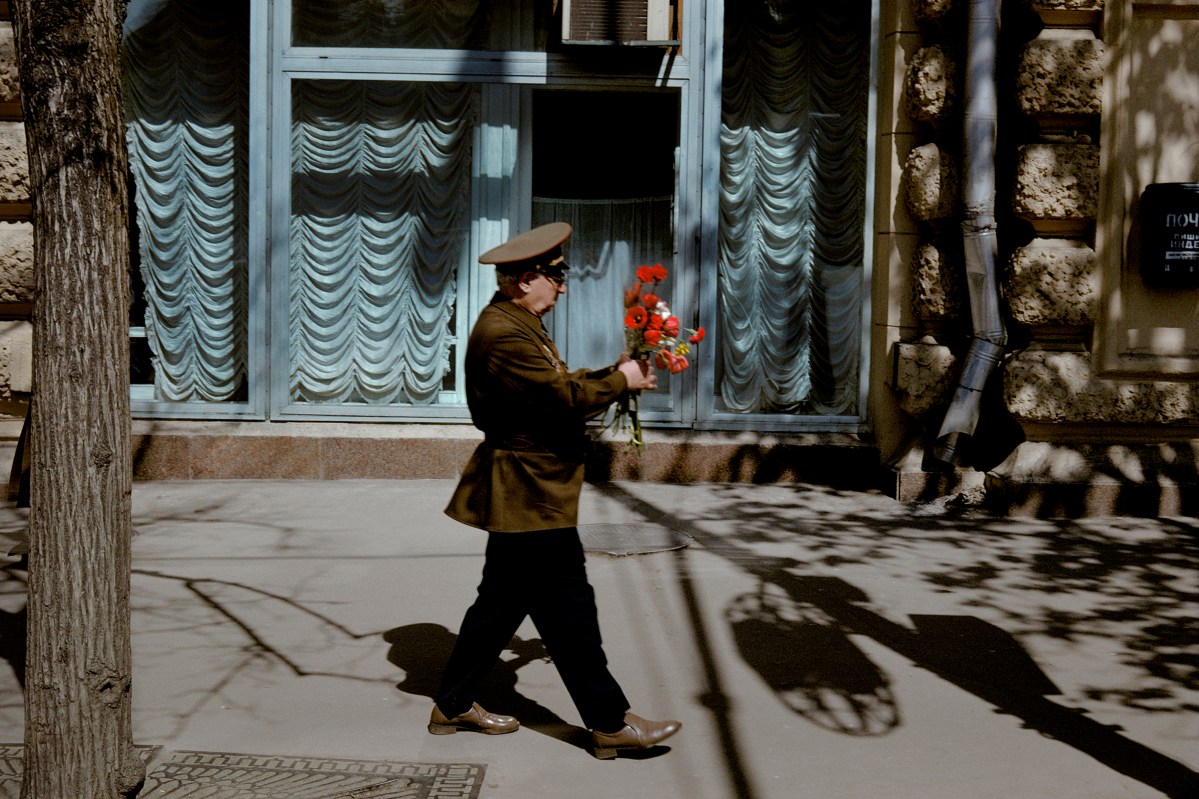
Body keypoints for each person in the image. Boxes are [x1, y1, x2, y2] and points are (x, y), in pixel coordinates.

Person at [430, 221, 682, 760]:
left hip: (531, 488)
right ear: (525, 280)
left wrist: (615, 372)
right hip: (529, 490)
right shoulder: (503, 332)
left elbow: (554, 387)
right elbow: (558, 397)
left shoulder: (517, 322)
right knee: (569, 611)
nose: (563, 286)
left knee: (501, 605)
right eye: (556, 276)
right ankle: (609, 723)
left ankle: (453, 703)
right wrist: (621, 381)